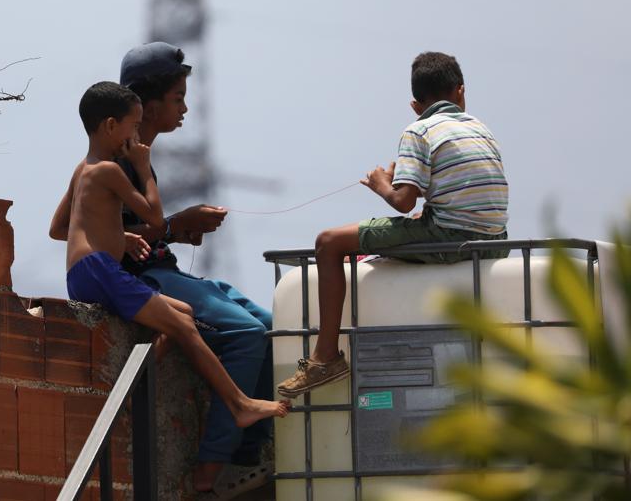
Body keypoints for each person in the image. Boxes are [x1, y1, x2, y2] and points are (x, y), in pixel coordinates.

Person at [49, 81, 290, 432]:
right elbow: (156, 218)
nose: (137, 137)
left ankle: (137, 388)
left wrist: (119, 235)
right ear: (111, 126)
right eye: (133, 126)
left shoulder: (83, 168)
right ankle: (240, 404)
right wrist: (144, 168)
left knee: (184, 314)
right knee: (179, 324)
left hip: (87, 270)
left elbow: (59, 229)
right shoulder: (111, 170)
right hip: (99, 271)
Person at [276, 51, 510, 398]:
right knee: (408, 226)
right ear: (461, 92)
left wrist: (380, 182)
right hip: (495, 238)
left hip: (451, 238)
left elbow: (403, 201)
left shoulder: (418, 130)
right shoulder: (480, 127)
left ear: (416, 105)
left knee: (328, 242)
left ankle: (325, 358)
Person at [115, 42, 277, 493]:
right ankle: (210, 471)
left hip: (167, 270)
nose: (185, 107)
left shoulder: (141, 154)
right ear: (147, 106)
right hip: (144, 279)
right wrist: (174, 225)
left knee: (268, 325)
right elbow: (106, 241)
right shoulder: (116, 161)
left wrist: (173, 229)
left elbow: (141, 227)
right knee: (244, 334)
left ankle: (248, 456)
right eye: (177, 98)